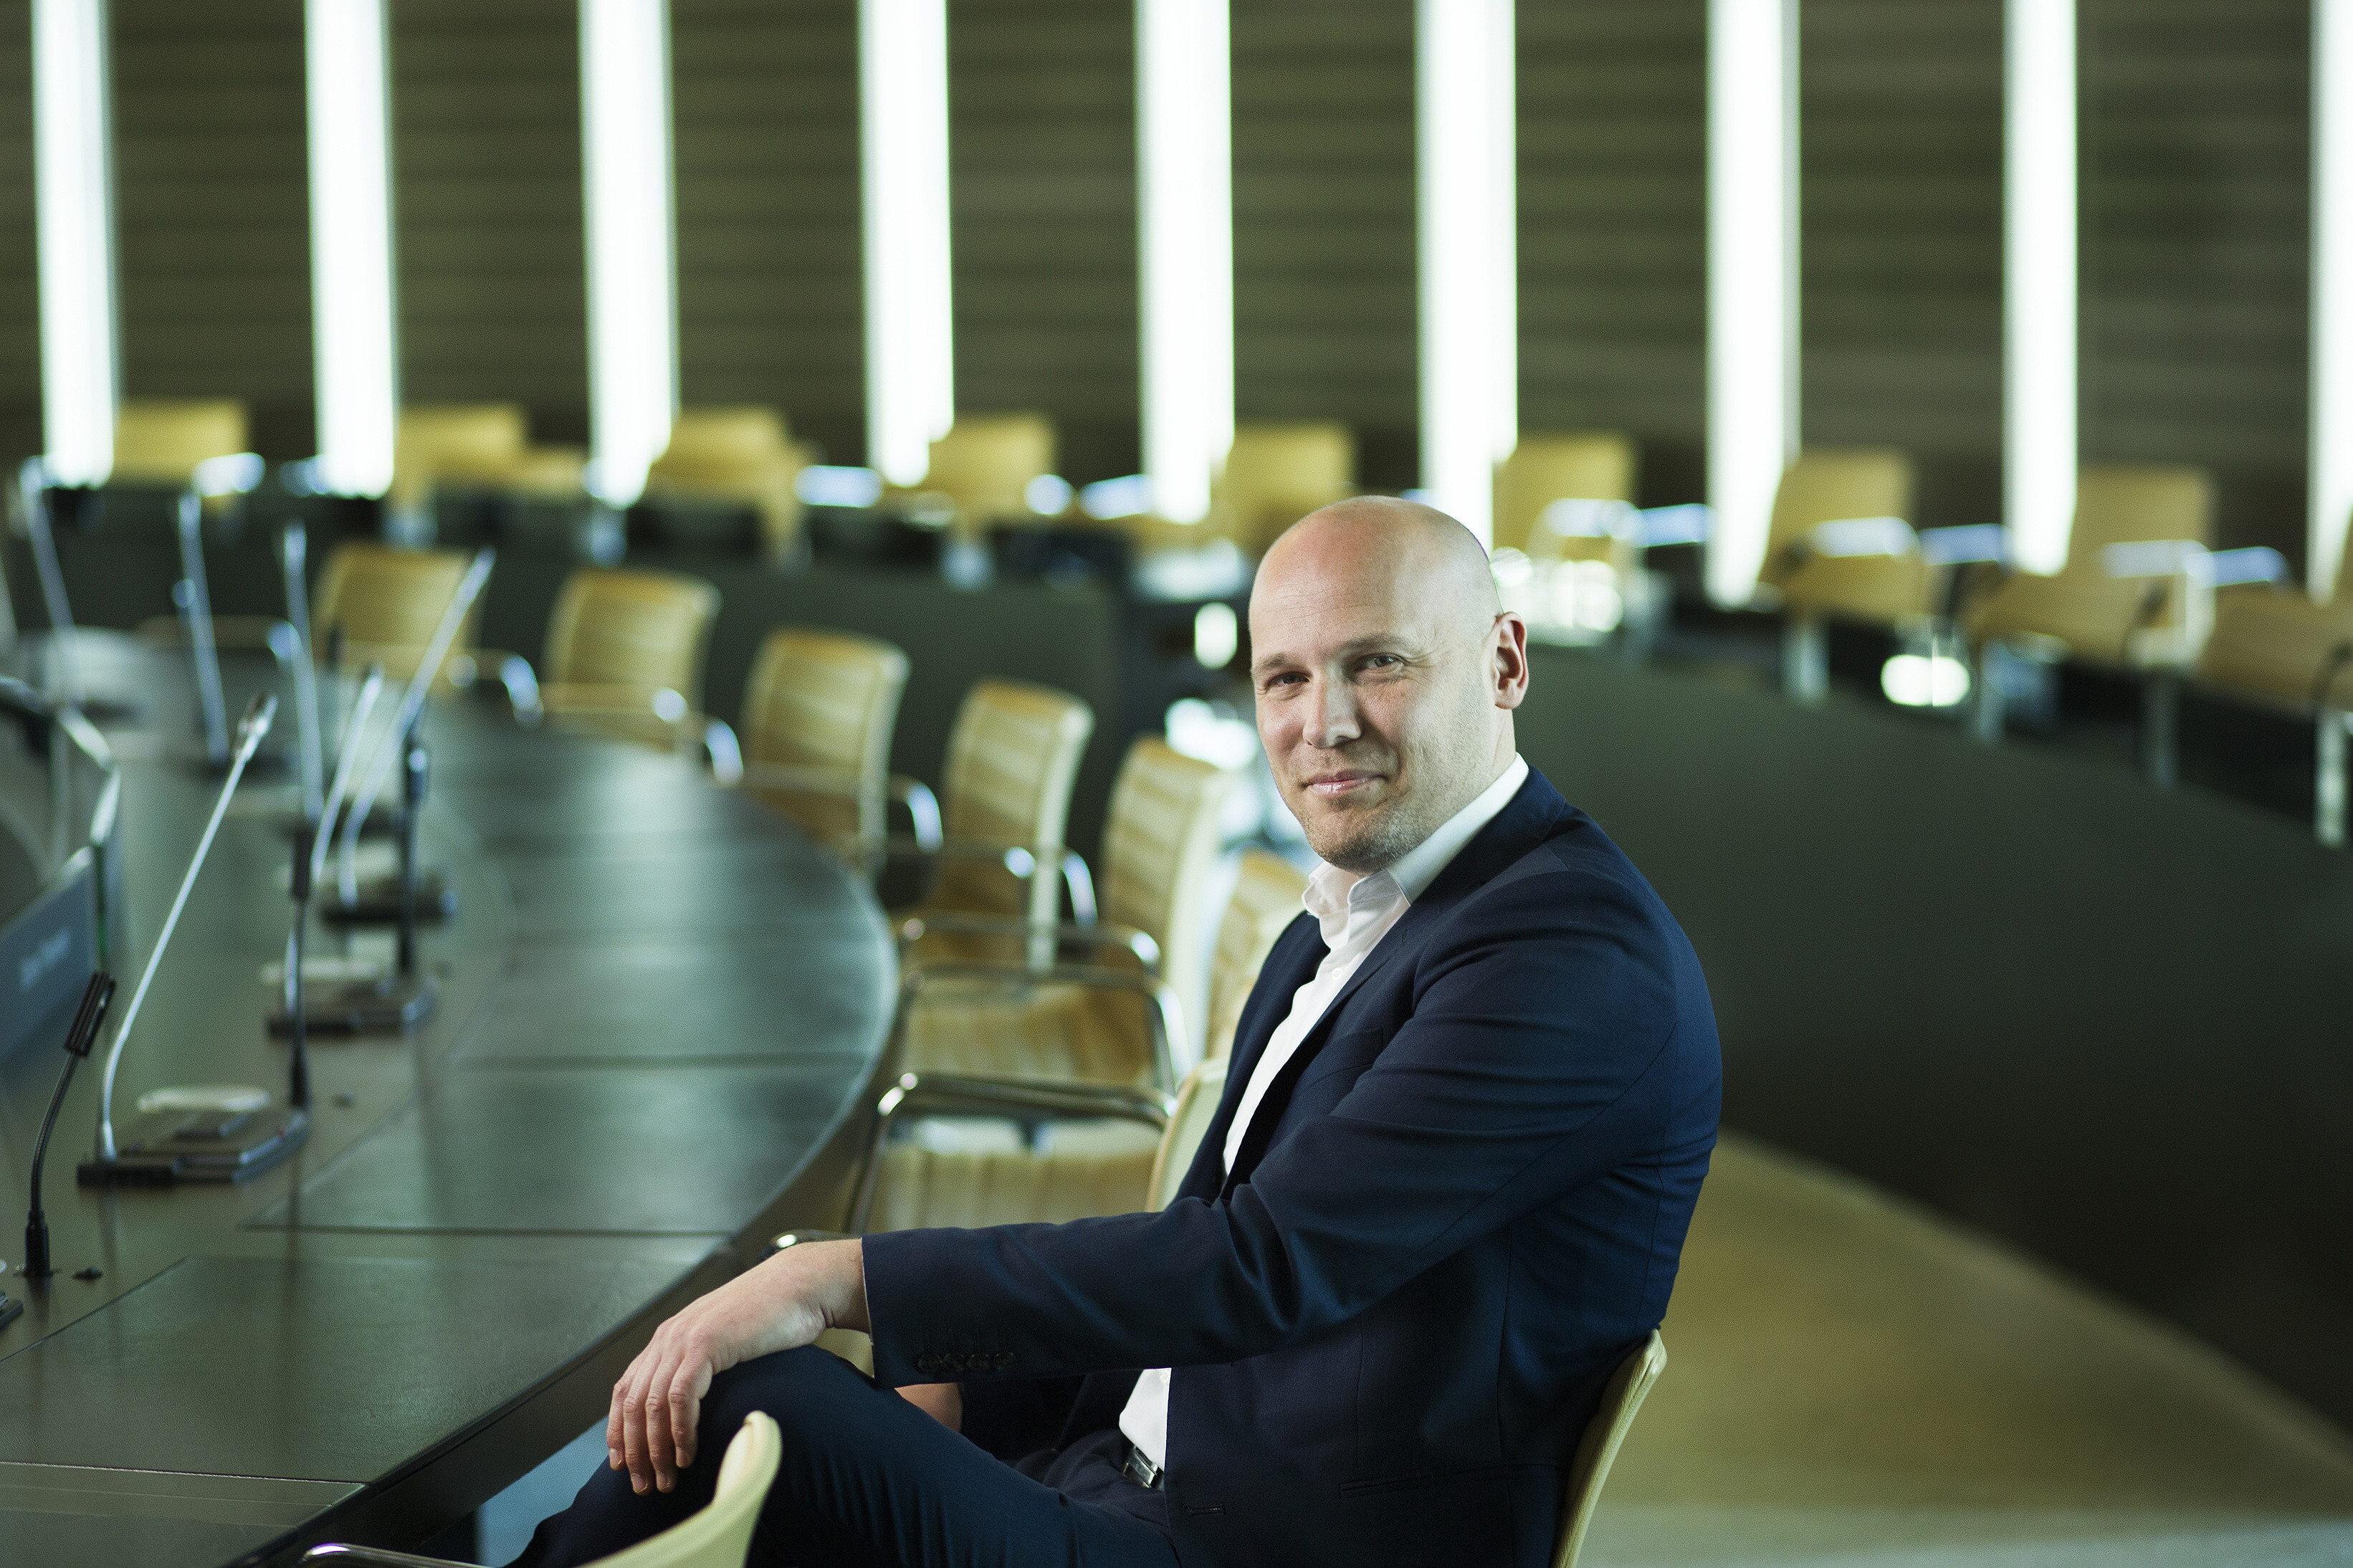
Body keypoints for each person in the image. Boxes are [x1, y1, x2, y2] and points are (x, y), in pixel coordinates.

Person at [514, 497, 1721, 1568]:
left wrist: (836, 1278)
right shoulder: (1358, 907)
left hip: (1260, 1541)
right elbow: (1201, 1253)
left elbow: (1259, 1266)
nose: (1325, 721)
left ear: (1505, 662)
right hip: (1133, 1483)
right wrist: (969, 1395)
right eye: (1284, 679)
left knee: (762, 1413)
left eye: (1378, 664)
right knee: (768, 1444)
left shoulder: (1571, 955)